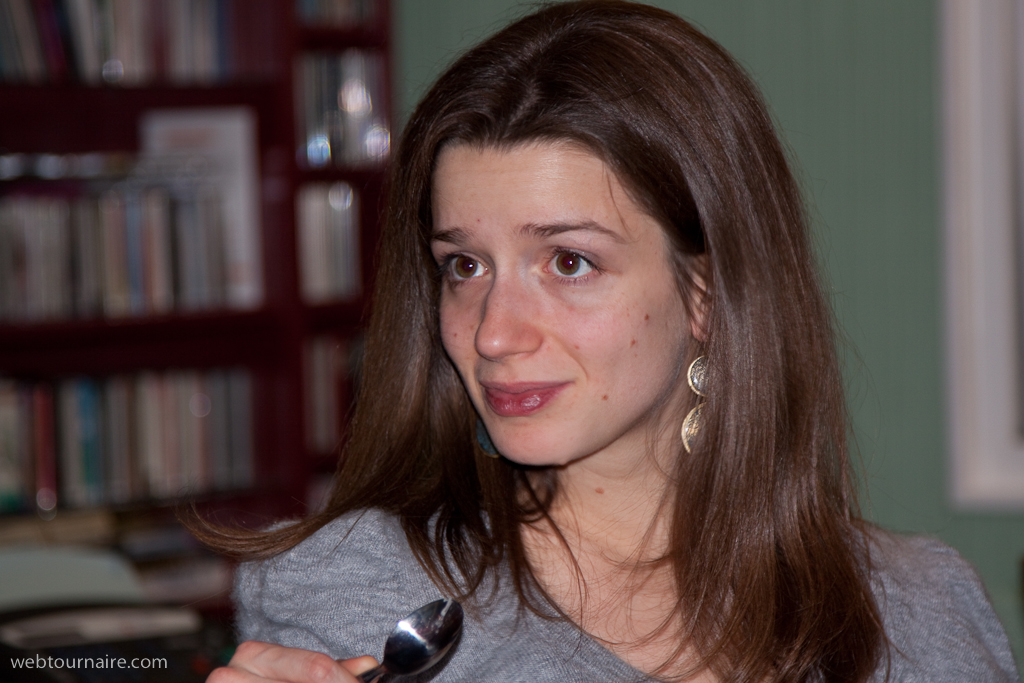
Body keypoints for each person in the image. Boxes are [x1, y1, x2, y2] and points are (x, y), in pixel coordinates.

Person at [202, 2, 1020, 681]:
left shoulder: (923, 603)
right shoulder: (369, 599)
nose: (493, 332)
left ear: (705, 293)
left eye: (569, 261)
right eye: (465, 265)